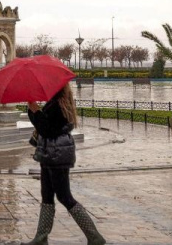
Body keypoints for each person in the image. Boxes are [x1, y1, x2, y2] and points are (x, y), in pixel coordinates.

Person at [25, 82, 105, 245]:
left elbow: (47, 130)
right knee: (46, 196)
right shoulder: (55, 102)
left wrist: (36, 111)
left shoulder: (60, 106)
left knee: (64, 196)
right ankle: (41, 237)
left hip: (57, 155)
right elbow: (42, 127)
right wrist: (32, 110)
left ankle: (94, 236)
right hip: (49, 155)